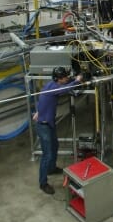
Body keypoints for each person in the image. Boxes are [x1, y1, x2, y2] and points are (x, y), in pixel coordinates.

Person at [33, 66, 83, 195]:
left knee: (55, 146)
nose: (67, 78)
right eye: (65, 77)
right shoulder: (55, 87)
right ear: (59, 79)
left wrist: (39, 111)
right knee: (47, 154)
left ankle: (52, 168)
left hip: (48, 122)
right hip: (43, 126)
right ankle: (43, 183)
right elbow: (67, 88)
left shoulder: (50, 84)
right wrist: (77, 80)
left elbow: (42, 99)